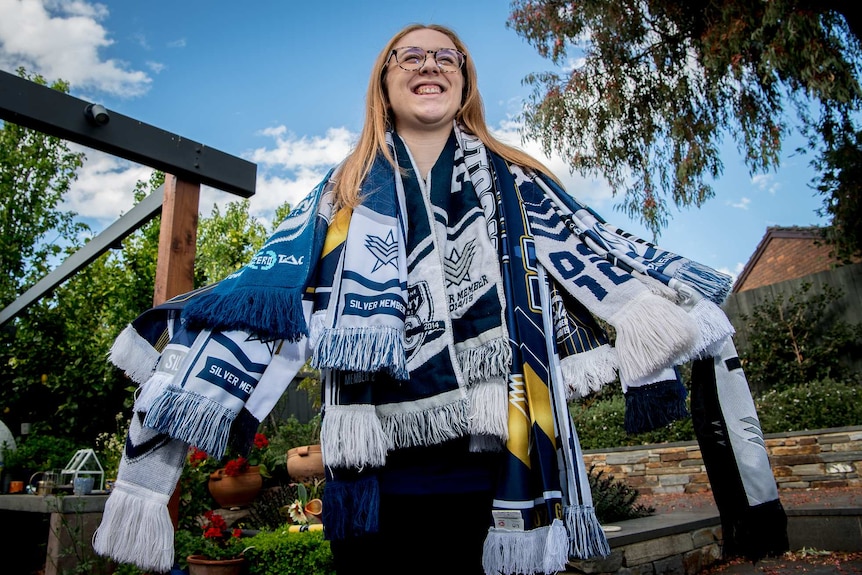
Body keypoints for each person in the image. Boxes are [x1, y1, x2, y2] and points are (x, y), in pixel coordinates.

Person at [95, 23, 786, 575]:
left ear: (464, 82)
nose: (430, 65)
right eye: (409, 57)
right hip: (372, 484)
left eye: (446, 58)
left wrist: (677, 303)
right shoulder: (339, 195)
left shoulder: (519, 184)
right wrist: (188, 344)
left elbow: (606, 256)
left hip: (496, 471)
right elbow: (268, 291)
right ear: (385, 84)